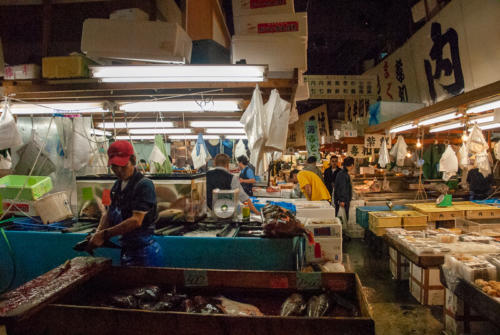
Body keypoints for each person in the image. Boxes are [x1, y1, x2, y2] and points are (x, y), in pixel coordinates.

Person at [89, 141, 163, 267]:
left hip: (145, 252)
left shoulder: (144, 185)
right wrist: (97, 232)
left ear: (133, 160)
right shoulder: (116, 186)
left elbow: (136, 221)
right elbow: (108, 213)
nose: (118, 171)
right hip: (127, 250)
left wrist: (105, 234)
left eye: (123, 166)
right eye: (114, 167)